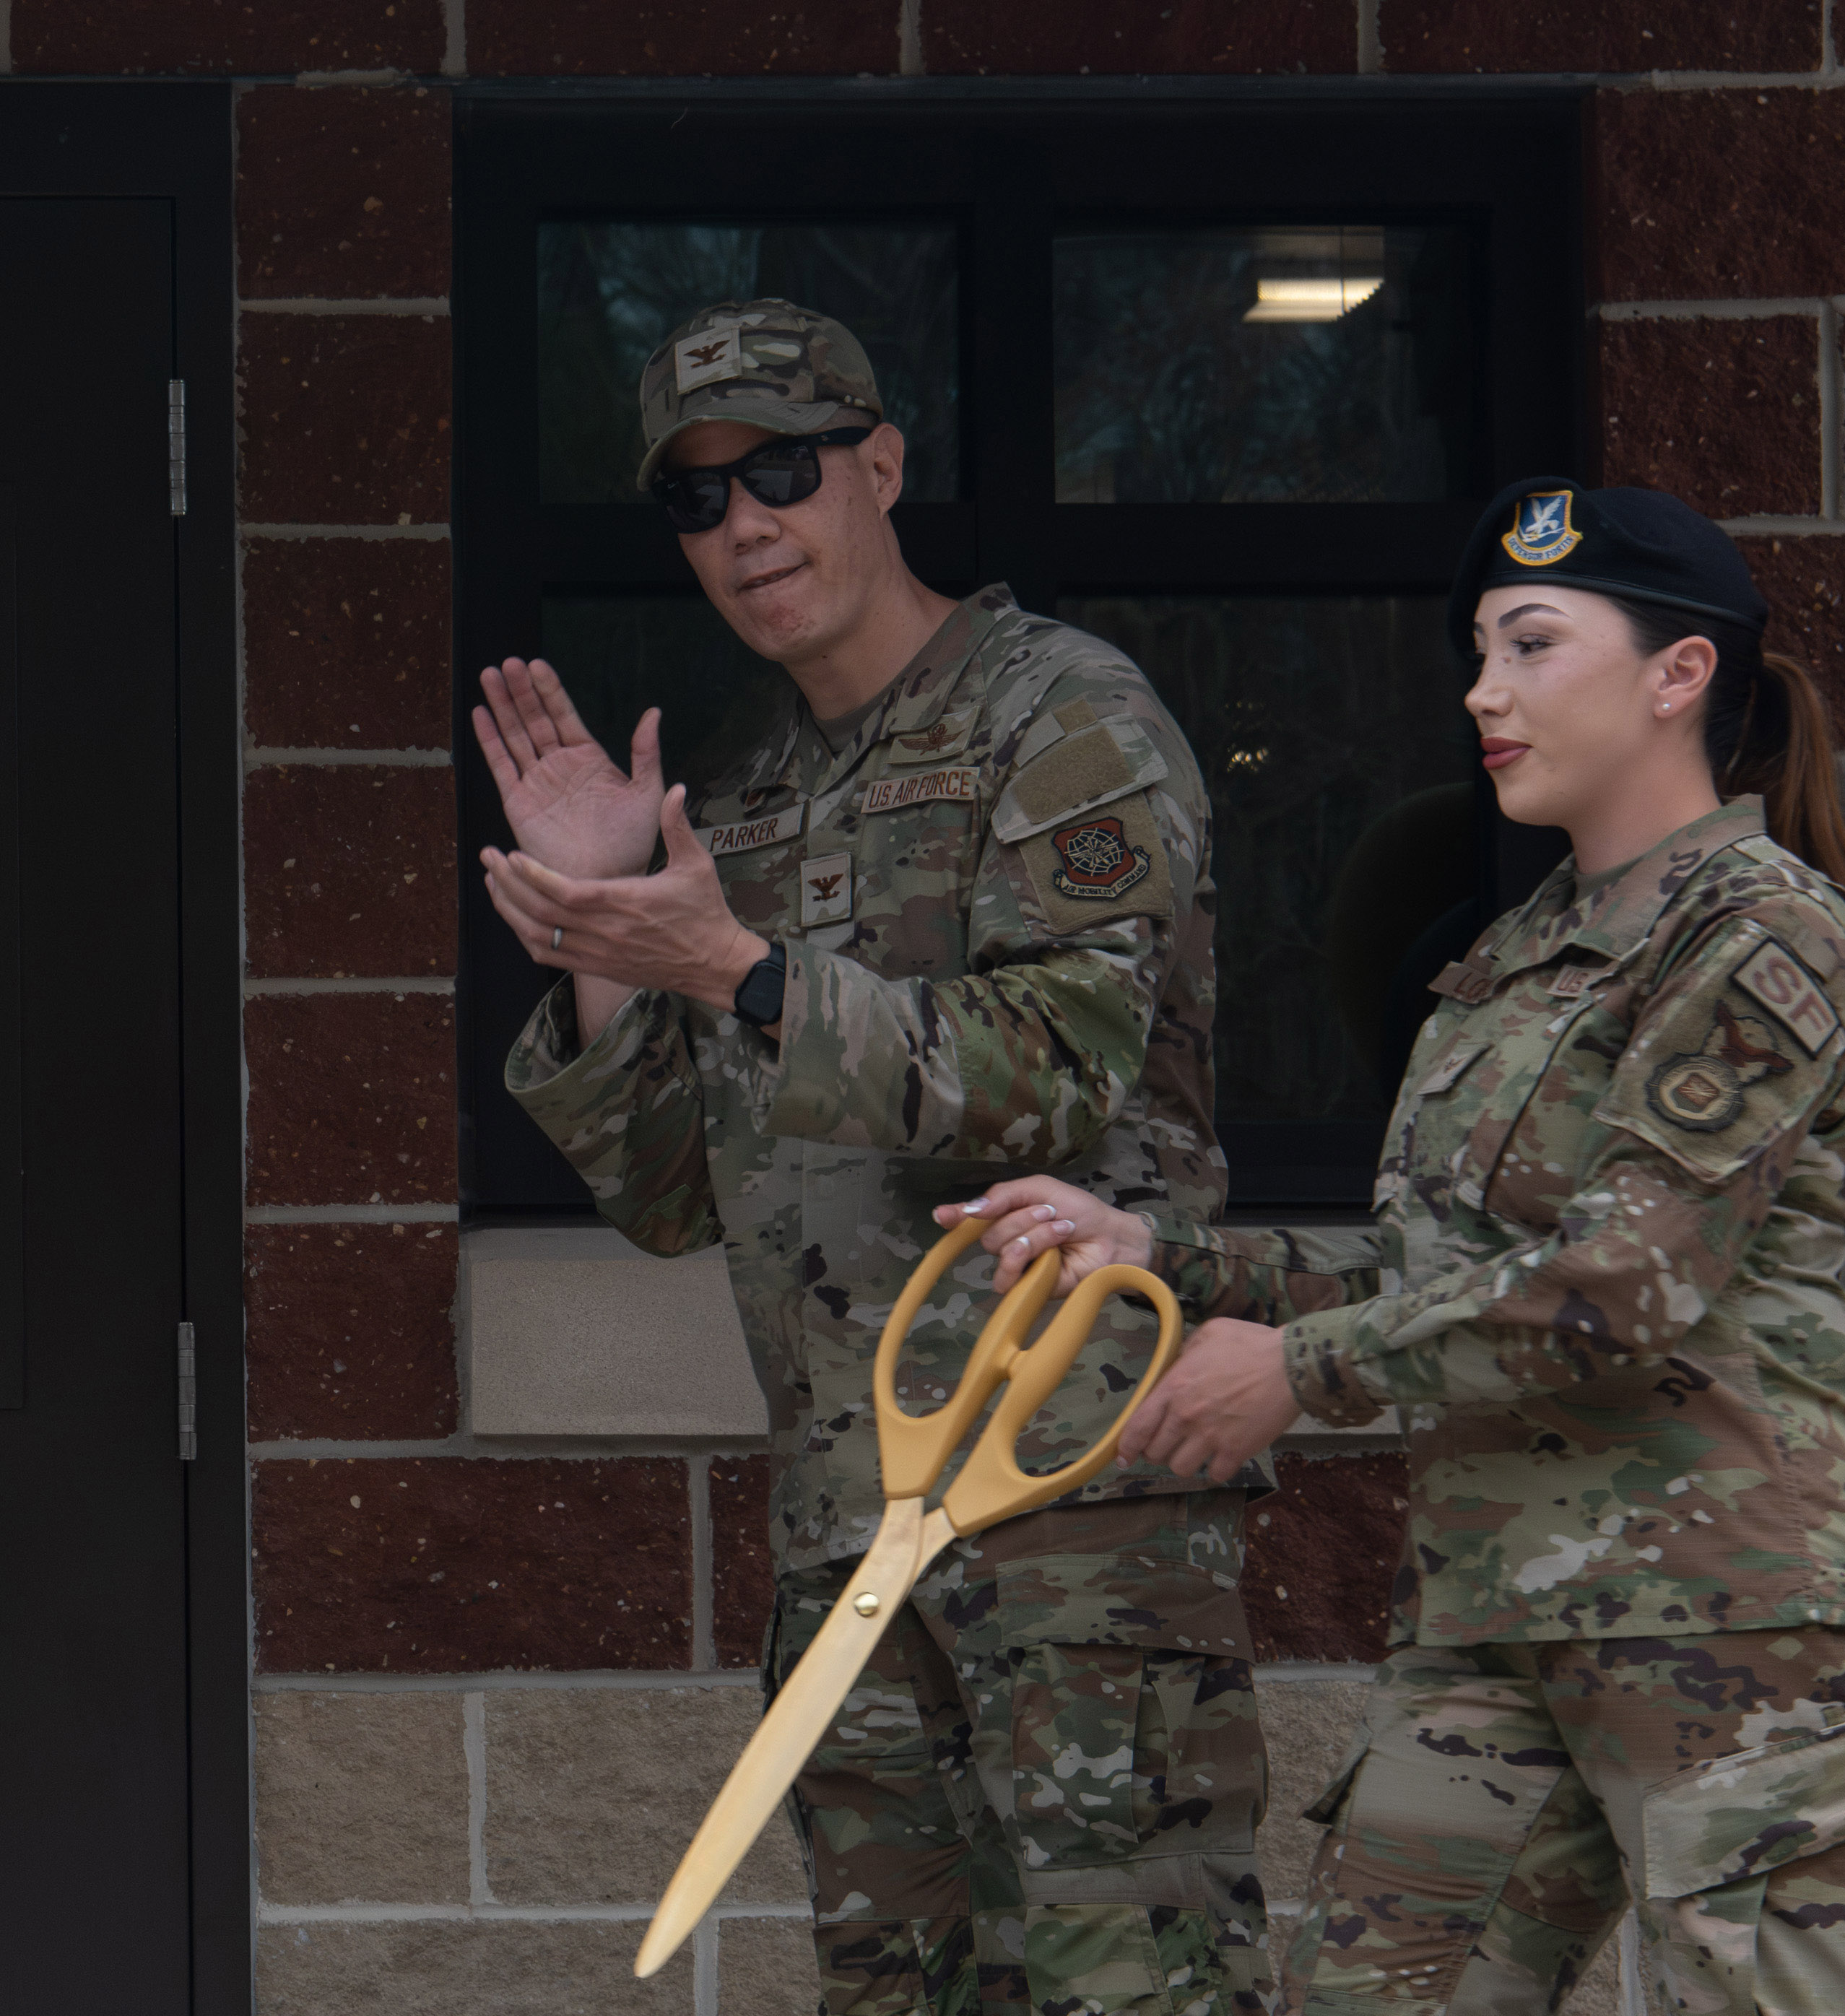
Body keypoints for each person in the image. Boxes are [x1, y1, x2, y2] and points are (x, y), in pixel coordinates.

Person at [955, 482, 1845, 2015]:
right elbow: (1429, 1270)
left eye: (1531, 644)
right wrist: (1151, 1260)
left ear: (1675, 674)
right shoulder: (1508, 958)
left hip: (1748, 1631)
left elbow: (1615, 1292)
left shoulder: (1761, 935)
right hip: (1496, 1616)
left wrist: (1289, 1374)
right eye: (1477, 650)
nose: (1480, 691)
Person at [482, 298, 1262, 2014]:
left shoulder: (1053, 714)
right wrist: (609, 940)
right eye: (695, 499)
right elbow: (678, 1197)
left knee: (1130, 1988)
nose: (744, 524)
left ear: (879, 465)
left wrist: (739, 974)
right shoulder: (748, 808)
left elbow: (1058, 1071)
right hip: (853, 1532)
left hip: (1070, 1518)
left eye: (779, 468)